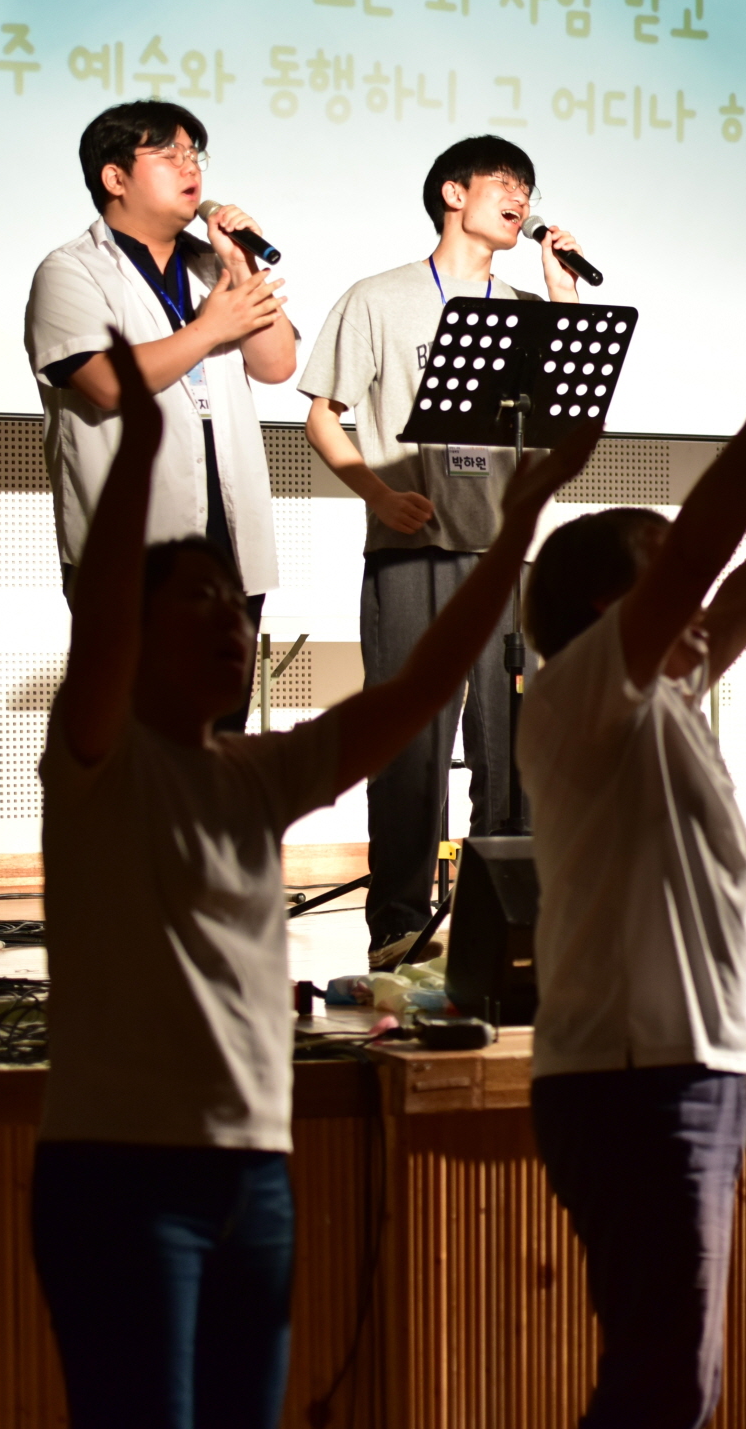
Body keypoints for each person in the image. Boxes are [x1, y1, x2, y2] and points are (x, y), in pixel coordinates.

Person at [32, 328, 595, 1429]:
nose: (229, 621)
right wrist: (139, 448)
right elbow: (100, 613)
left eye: (233, 602)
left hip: (255, 1173)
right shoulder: (96, 759)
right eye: (196, 598)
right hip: (121, 1173)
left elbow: (422, 684)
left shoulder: (256, 772)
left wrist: (517, 527)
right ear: (132, 635)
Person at [516, 283, 746, 1429]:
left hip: (682, 1065)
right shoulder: (585, 691)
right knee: (666, 1383)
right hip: (636, 1076)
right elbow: (710, 557)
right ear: (610, 603)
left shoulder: (661, 693)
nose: (696, 589)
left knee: (676, 1378)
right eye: (665, 570)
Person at [300, 135, 589, 968]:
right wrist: (376, 493)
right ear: (452, 193)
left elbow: (570, 425)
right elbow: (322, 414)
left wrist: (562, 298)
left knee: (512, 747)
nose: (521, 198)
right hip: (413, 545)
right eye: (504, 182)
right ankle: (398, 923)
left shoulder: (529, 309)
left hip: (507, 555)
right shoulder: (378, 298)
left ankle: (502, 923)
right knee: (409, 744)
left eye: (528, 187)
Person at [24, 101, 297, 733]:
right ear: (114, 177)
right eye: (169, 153)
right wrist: (209, 329)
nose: (189, 167)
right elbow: (105, 383)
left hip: (226, 541)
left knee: (219, 736)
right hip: (133, 550)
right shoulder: (70, 270)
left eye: (194, 154)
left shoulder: (212, 265)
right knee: (140, 739)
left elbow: (277, 363)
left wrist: (240, 266)